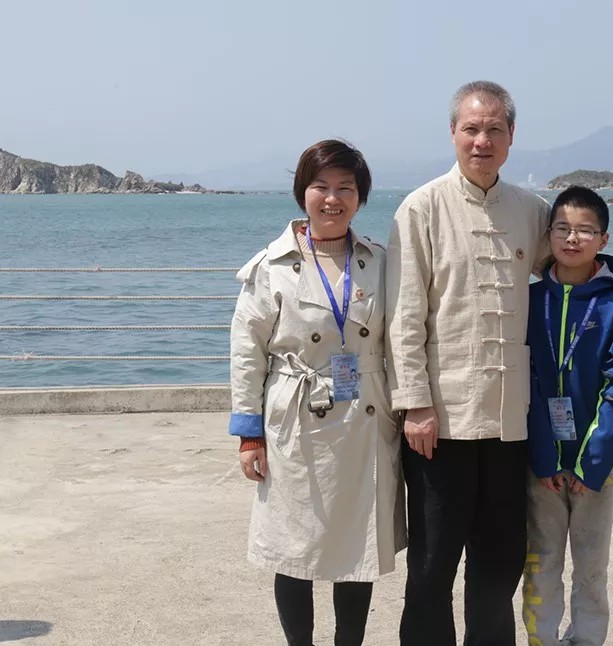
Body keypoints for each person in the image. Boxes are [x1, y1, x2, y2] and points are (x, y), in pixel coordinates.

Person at [385, 81, 613, 646]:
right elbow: (403, 316)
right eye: (471, 129)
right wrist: (414, 404)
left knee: (500, 564)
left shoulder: (531, 211)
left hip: (512, 425)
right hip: (441, 423)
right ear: (453, 133)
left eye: (494, 130)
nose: (482, 141)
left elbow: (581, 261)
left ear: (511, 137)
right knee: (432, 567)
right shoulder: (420, 209)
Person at [229, 139, 405, 646]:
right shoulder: (271, 265)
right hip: (296, 414)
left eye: (345, 188)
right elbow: (246, 351)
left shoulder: (380, 262)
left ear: (361, 196)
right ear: (302, 193)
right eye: (321, 186)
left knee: (357, 546)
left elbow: (407, 334)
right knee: (294, 546)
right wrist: (249, 434)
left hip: (365, 415)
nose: (333, 199)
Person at [522, 186, 613, 646]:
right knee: (541, 561)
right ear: (548, 235)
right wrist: (545, 459)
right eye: (563, 228)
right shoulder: (529, 301)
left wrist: (593, 465)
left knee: (592, 567)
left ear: (603, 240)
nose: (572, 238)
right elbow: (528, 383)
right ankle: (542, 639)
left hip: (599, 467)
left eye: (585, 230)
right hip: (541, 465)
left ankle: (587, 639)